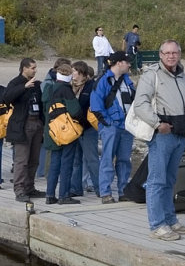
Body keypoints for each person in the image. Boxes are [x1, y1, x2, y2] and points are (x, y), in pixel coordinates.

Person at [132, 39, 185, 241]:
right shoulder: (152, 75)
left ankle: (170, 220)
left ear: (179, 54)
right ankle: (157, 225)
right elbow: (140, 104)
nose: (171, 56)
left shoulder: (183, 76)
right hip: (162, 135)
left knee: (170, 180)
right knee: (156, 182)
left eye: (174, 52)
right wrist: (158, 124)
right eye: (166, 53)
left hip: (180, 134)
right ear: (160, 55)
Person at [90, 51, 135, 204]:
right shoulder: (103, 80)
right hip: (111, 126)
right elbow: (96, 105)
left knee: (124, 160)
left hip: (127, 127)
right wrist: (108, 123)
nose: (129, 64)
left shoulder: (127, 81)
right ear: (119, 63)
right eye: (127, 62)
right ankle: (105, 193)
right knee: (107, 159)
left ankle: (124, 191)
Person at [4, 58, 44, 203]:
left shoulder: (36, 85)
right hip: (23, 125)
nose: (35, 70)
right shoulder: (16, 82)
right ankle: (19, 189)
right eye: (32, 68)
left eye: (35, 67)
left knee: (34, 159)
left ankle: (29, 187)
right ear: (24, 68)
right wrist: (24, 87)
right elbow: (6, 98)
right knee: (22, 160)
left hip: (36, 123)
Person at [42, 63, 83, 205]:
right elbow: (75, 111)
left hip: (51, 130)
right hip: (65, 131)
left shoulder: (49, 88)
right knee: (67, 163)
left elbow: (44, 108)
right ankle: (64, 195)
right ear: (69, 76)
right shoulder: (66, 90)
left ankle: (49, 195)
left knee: (54, 163)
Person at [69, 61, 98, 197]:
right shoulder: (72, 87)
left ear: (81, 73)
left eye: (74, 71)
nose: (72, 74)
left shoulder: (91, 86)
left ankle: (100, 188)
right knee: (76, 160)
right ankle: (76, 188)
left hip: (87, 128)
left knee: (92, 159)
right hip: (74, 128)